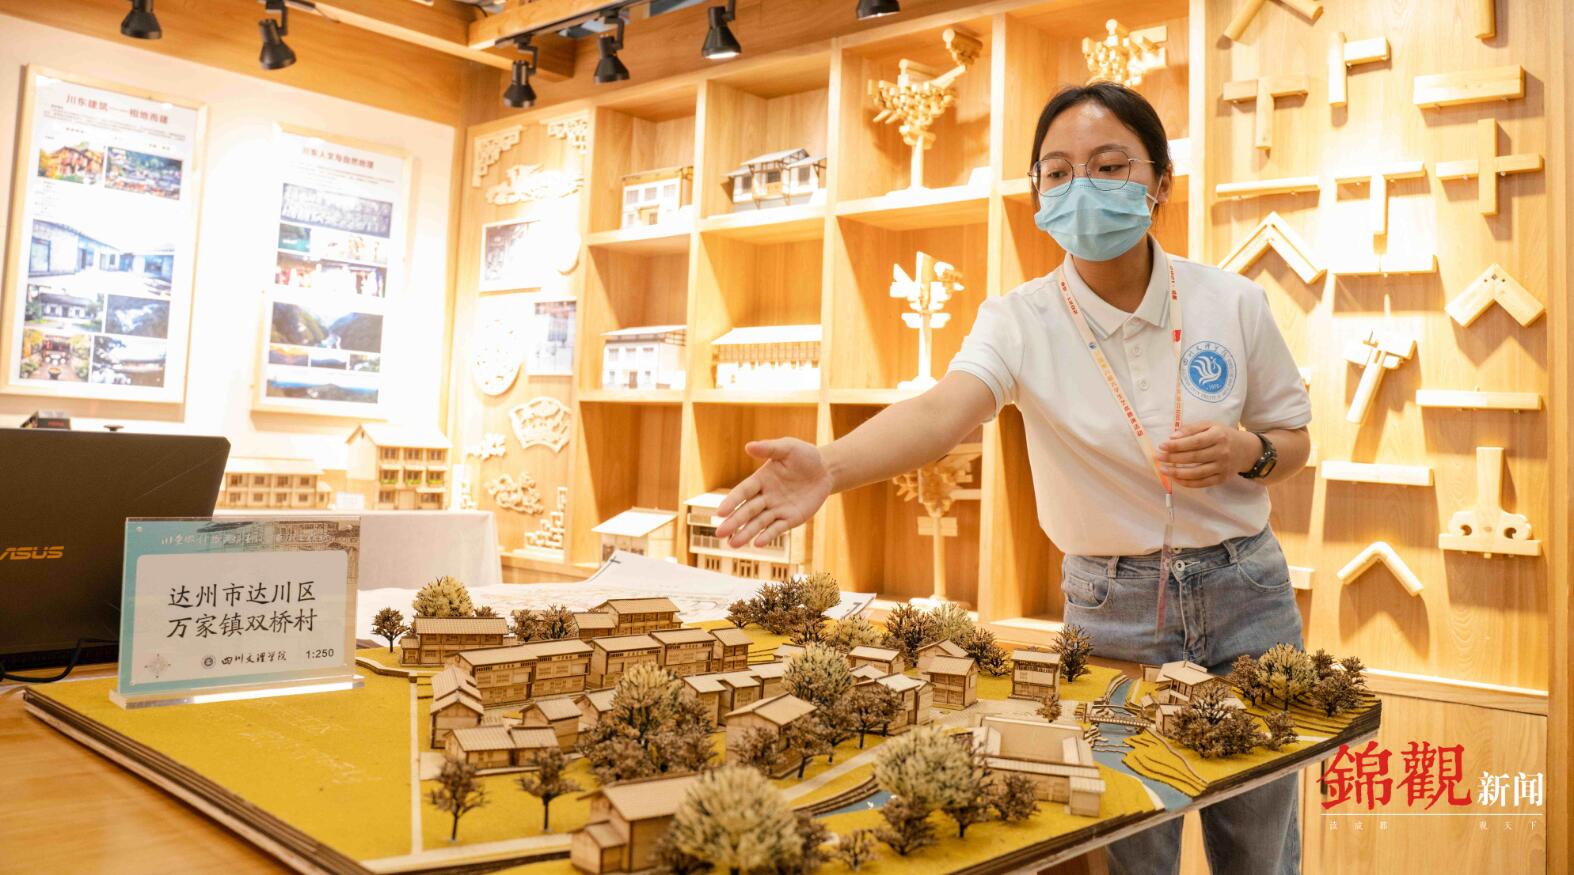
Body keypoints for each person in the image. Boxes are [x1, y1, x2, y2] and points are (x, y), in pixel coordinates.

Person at [712, 81, 1312, 875]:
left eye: (1109, 166)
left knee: (1260, 848)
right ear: (1038, 194)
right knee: (1131, 840)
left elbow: (1293, 441)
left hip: (1247, 593)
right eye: (1057, 172)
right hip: (1112, 606)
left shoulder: (1232, 302)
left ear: (1161, 183)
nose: (1081, 187)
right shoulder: (1020, 319)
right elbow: (942, 412)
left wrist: (1245, 451)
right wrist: (830, 464)